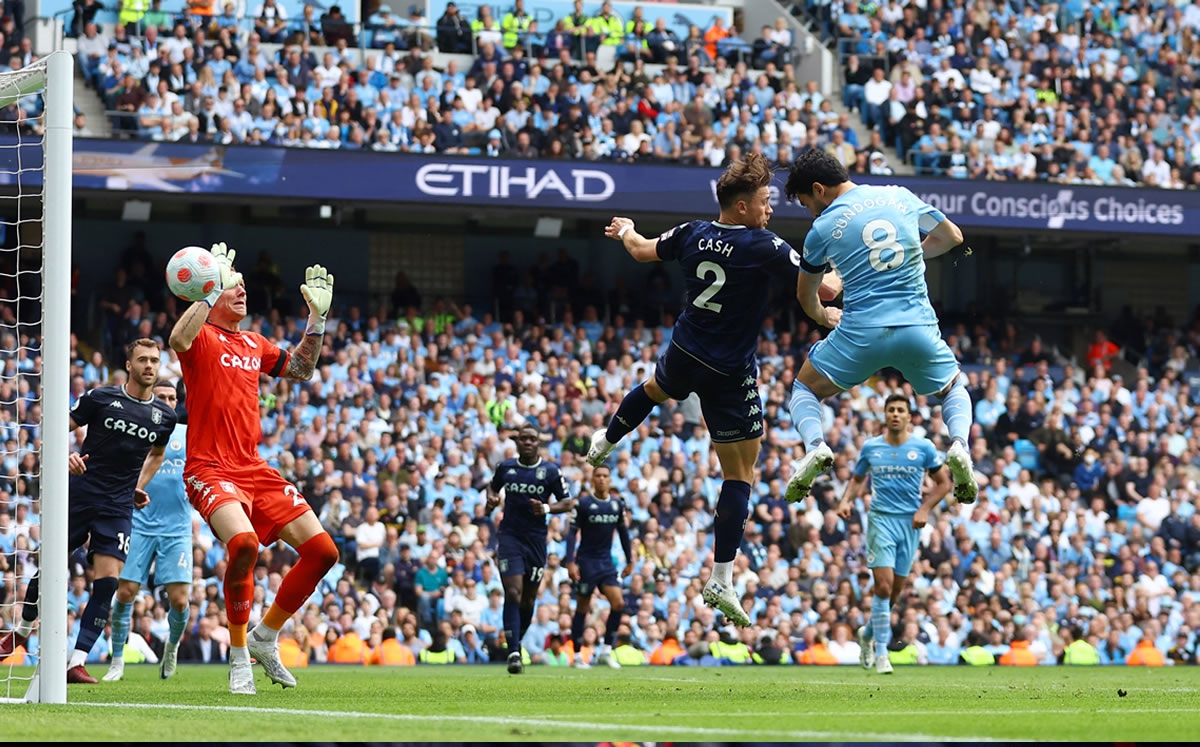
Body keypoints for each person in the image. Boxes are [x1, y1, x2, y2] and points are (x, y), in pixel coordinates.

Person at [585, 153, 841, 627]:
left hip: (686, 350)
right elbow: (824, 289)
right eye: (765, 201)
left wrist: (624, 231)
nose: (770, 209)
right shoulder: (762, 245)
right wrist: (857, 269)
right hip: (729, 371)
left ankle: (606, 440)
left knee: (656, 387)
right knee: (741, 473)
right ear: (742, 208)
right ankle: (721, 577)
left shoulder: (690, 232)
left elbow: (641, 249)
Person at [168, 243, 340, 695]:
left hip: (253, 466)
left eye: (242, 283)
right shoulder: (200, 334)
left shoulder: (254, 342)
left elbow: (301, 369)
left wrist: (316, 323)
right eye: (232, 285)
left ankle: (266, 636)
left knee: (324, 553)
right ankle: (239, 654)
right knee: (244, 543)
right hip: (208, 465)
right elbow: (177, 341)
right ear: (212, 294)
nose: (241, 289)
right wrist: (207, 290)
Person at [782, 148, 977, 507]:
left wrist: (822, 316)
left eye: (809, 203)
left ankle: (814, 447)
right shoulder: (898, 195)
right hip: (917, 327)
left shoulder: (822, 228)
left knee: (804, 390)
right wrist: (911, 252)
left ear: (818, 188)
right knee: (952, 390)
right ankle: (961, 446)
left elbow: (806, 294)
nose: (813, 211)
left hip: (861, 333)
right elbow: (952, 237)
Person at [0, 339, 177, 684]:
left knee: (108, 582)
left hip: (117, 505)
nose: (149, 366)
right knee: (50, 562)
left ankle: (75, 662)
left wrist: (137, 484)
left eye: (154, 360)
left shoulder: (165, 416)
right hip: (81, 493)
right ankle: (21, 632)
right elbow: (55, 428)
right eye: (142, 360)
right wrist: (66, 457)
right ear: (129, 365)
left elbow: (156, 454)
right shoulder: (101, 398)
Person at [836, 394, 951, 675]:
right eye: (891, 410)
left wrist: (925, 509)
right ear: (885, 415)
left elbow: (943, 483)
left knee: (894, 592)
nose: (896, 414)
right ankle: (881, 653)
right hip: (880, 521)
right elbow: (858, 478)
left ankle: (867, 636)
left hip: (910, 524)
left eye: (901, 410)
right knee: (884, 587)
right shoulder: (872, 447)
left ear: (909, 416)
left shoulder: (923, 447)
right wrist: (845, 500)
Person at [104, 379, 192, 683]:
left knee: (179, 599)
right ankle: (117, 659)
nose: (168, 402)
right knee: (126, 591)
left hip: (176, 526)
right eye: (162, 397)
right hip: (139, 523)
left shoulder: (188, 435)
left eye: (172, 398)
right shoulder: (137, 432)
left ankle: (172, 646)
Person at [485, 424, 575, 674]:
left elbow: (568, 502)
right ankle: (514, 651)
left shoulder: (550, 471)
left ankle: (516, 640)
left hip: (536, 540)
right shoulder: (506, 467)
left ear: (538, 444)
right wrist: (491, 498)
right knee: (513, 592)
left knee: (528, 599)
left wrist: (546, 509)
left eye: (531, 439)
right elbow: (492, 486)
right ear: (517, 442)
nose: (527, 442)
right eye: (523, 438)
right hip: (510, 537)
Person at [564, 464, 633, 669]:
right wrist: (570, 561)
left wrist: (630, 560)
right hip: (586, 562)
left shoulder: (617, 505)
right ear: (593, 479)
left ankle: (605, 651)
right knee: (583, 608)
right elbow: (571, 534)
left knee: (618, 603)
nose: (602, 479)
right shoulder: (583, 504)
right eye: (598, 476)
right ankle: (576, 655)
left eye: (605, 476)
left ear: (610, 480)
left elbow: (623, 534)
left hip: (606, 563)